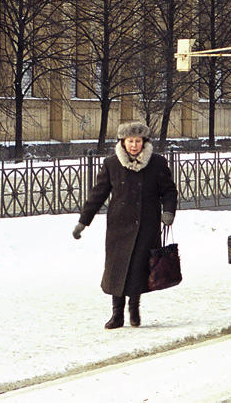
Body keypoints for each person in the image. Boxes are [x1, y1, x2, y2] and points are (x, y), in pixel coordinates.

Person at [72, 121, 178, 329]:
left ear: (144, 142)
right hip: (119, 226)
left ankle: (134, 308)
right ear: (123, 142)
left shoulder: (157, 163)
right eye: (130, 141)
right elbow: (98, 194)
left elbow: (169, 191)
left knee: (138, 268)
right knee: (117, 269)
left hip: (147, 225)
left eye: (138, 141)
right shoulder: (112, 164)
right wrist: (83, 222)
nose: (134, 145)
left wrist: (168, 211)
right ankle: (116, 314)